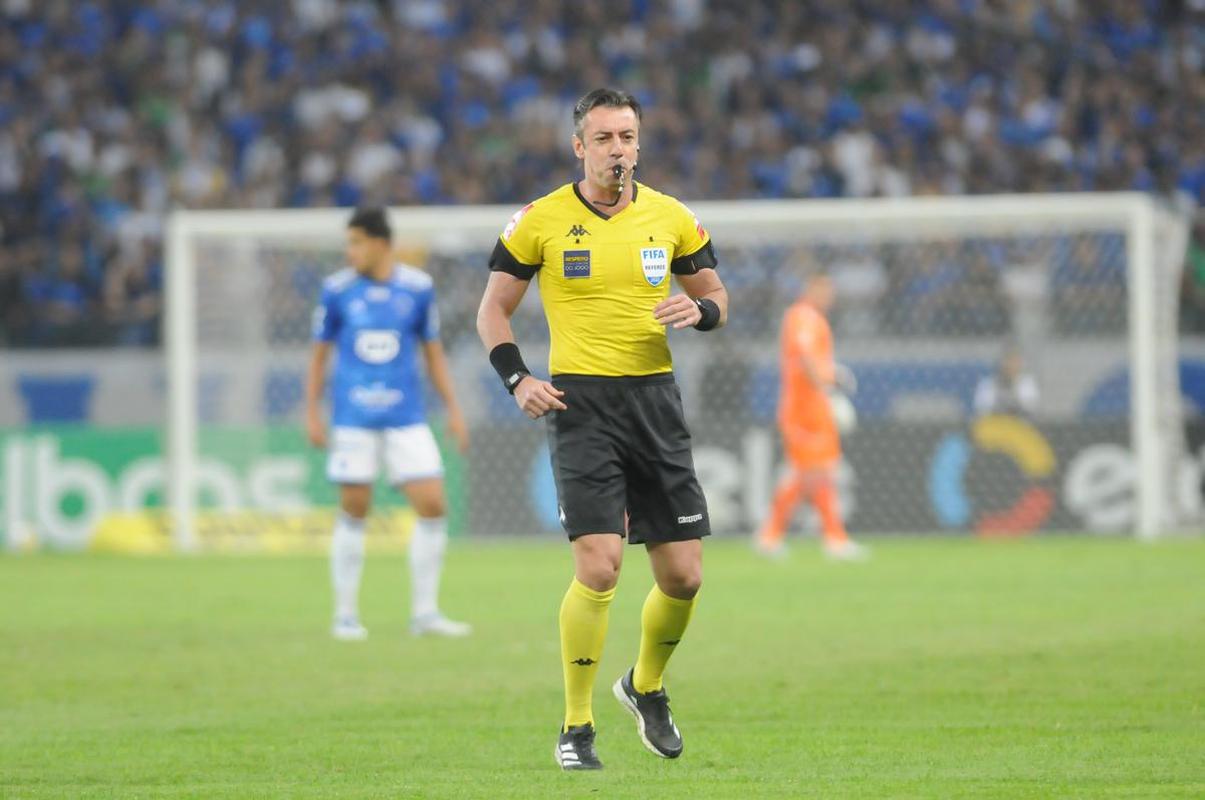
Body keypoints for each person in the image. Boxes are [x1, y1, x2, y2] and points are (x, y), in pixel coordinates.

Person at [476, 88, 728, 771]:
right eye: (605, 138)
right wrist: (517, 379)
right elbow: (492, 311)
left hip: (654, 402)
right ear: (578, 146)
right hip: (579, 406)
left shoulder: (672, 218)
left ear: (638, 142)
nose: (618, 149)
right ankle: (576, 725)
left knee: (683, 577)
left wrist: (699, 313)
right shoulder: (540, 220)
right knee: (600, 563)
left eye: (627, 136)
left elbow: (716, 297)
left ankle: (644, 686)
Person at [305, 207, 471, 641]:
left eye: (356, 242)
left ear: (381, 243)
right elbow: (320, 355)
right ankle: (344, 615)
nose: (350, 251)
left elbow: (432, 353)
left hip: (405, 417)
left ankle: (425, 613)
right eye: (348, 242)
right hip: (354, 419)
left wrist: (453, 408)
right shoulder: (336, 290)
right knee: (354, 510)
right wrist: (311, 410)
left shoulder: (417, 289)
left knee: (433, 505)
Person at [756, 271, 867, 561]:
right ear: (813, 288)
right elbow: (804, 357)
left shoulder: (812, 318)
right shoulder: (802, 316)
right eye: (826, 290)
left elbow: (814, 360)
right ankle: (780, 535)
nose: (831, 297)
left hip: (813, 408)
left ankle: (826, 537)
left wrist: (832, 375)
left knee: (817, 473)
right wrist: (828, 390)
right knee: (811, 473)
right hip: (803, 411)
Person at [973, 346, 1039, 418]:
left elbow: (1031, 407)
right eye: (1008, 361)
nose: (1011, 365)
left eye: (1015, 361)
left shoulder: (1027, 383)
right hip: (995, 423)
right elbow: (982, 409)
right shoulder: (988, 383)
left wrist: (1014, 385)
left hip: (1019, 423)